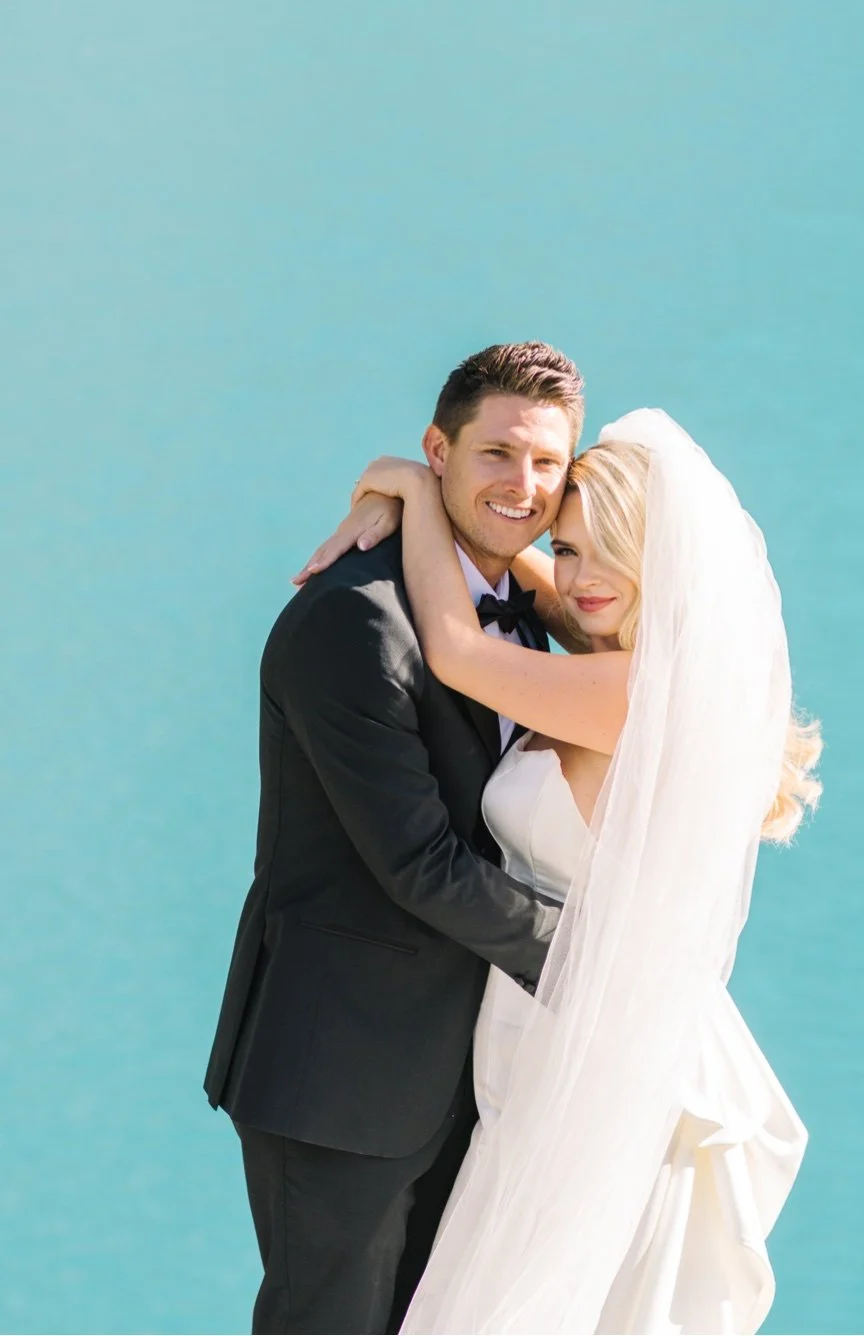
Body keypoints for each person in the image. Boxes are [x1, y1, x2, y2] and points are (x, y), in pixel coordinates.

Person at [298, 404, 821, 1334]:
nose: (578, 579)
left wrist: (416, 491)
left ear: (665, 564)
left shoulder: (630, 691)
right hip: (550, 1039)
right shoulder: (630, 661)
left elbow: (459, 649)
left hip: (587, 1044)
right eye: (571, 548)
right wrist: (437, 510)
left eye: (607, 551)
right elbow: (523, 589)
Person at [205, 343, 583, 1333]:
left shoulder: (542, 611)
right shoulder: (354, 625)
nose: (524, 485)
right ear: (439, 448)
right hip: (348, 1075)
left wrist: (402, 490)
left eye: (548, 464)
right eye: (497, 454)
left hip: (481, 1072)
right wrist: (599, 959)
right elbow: (422, 864)